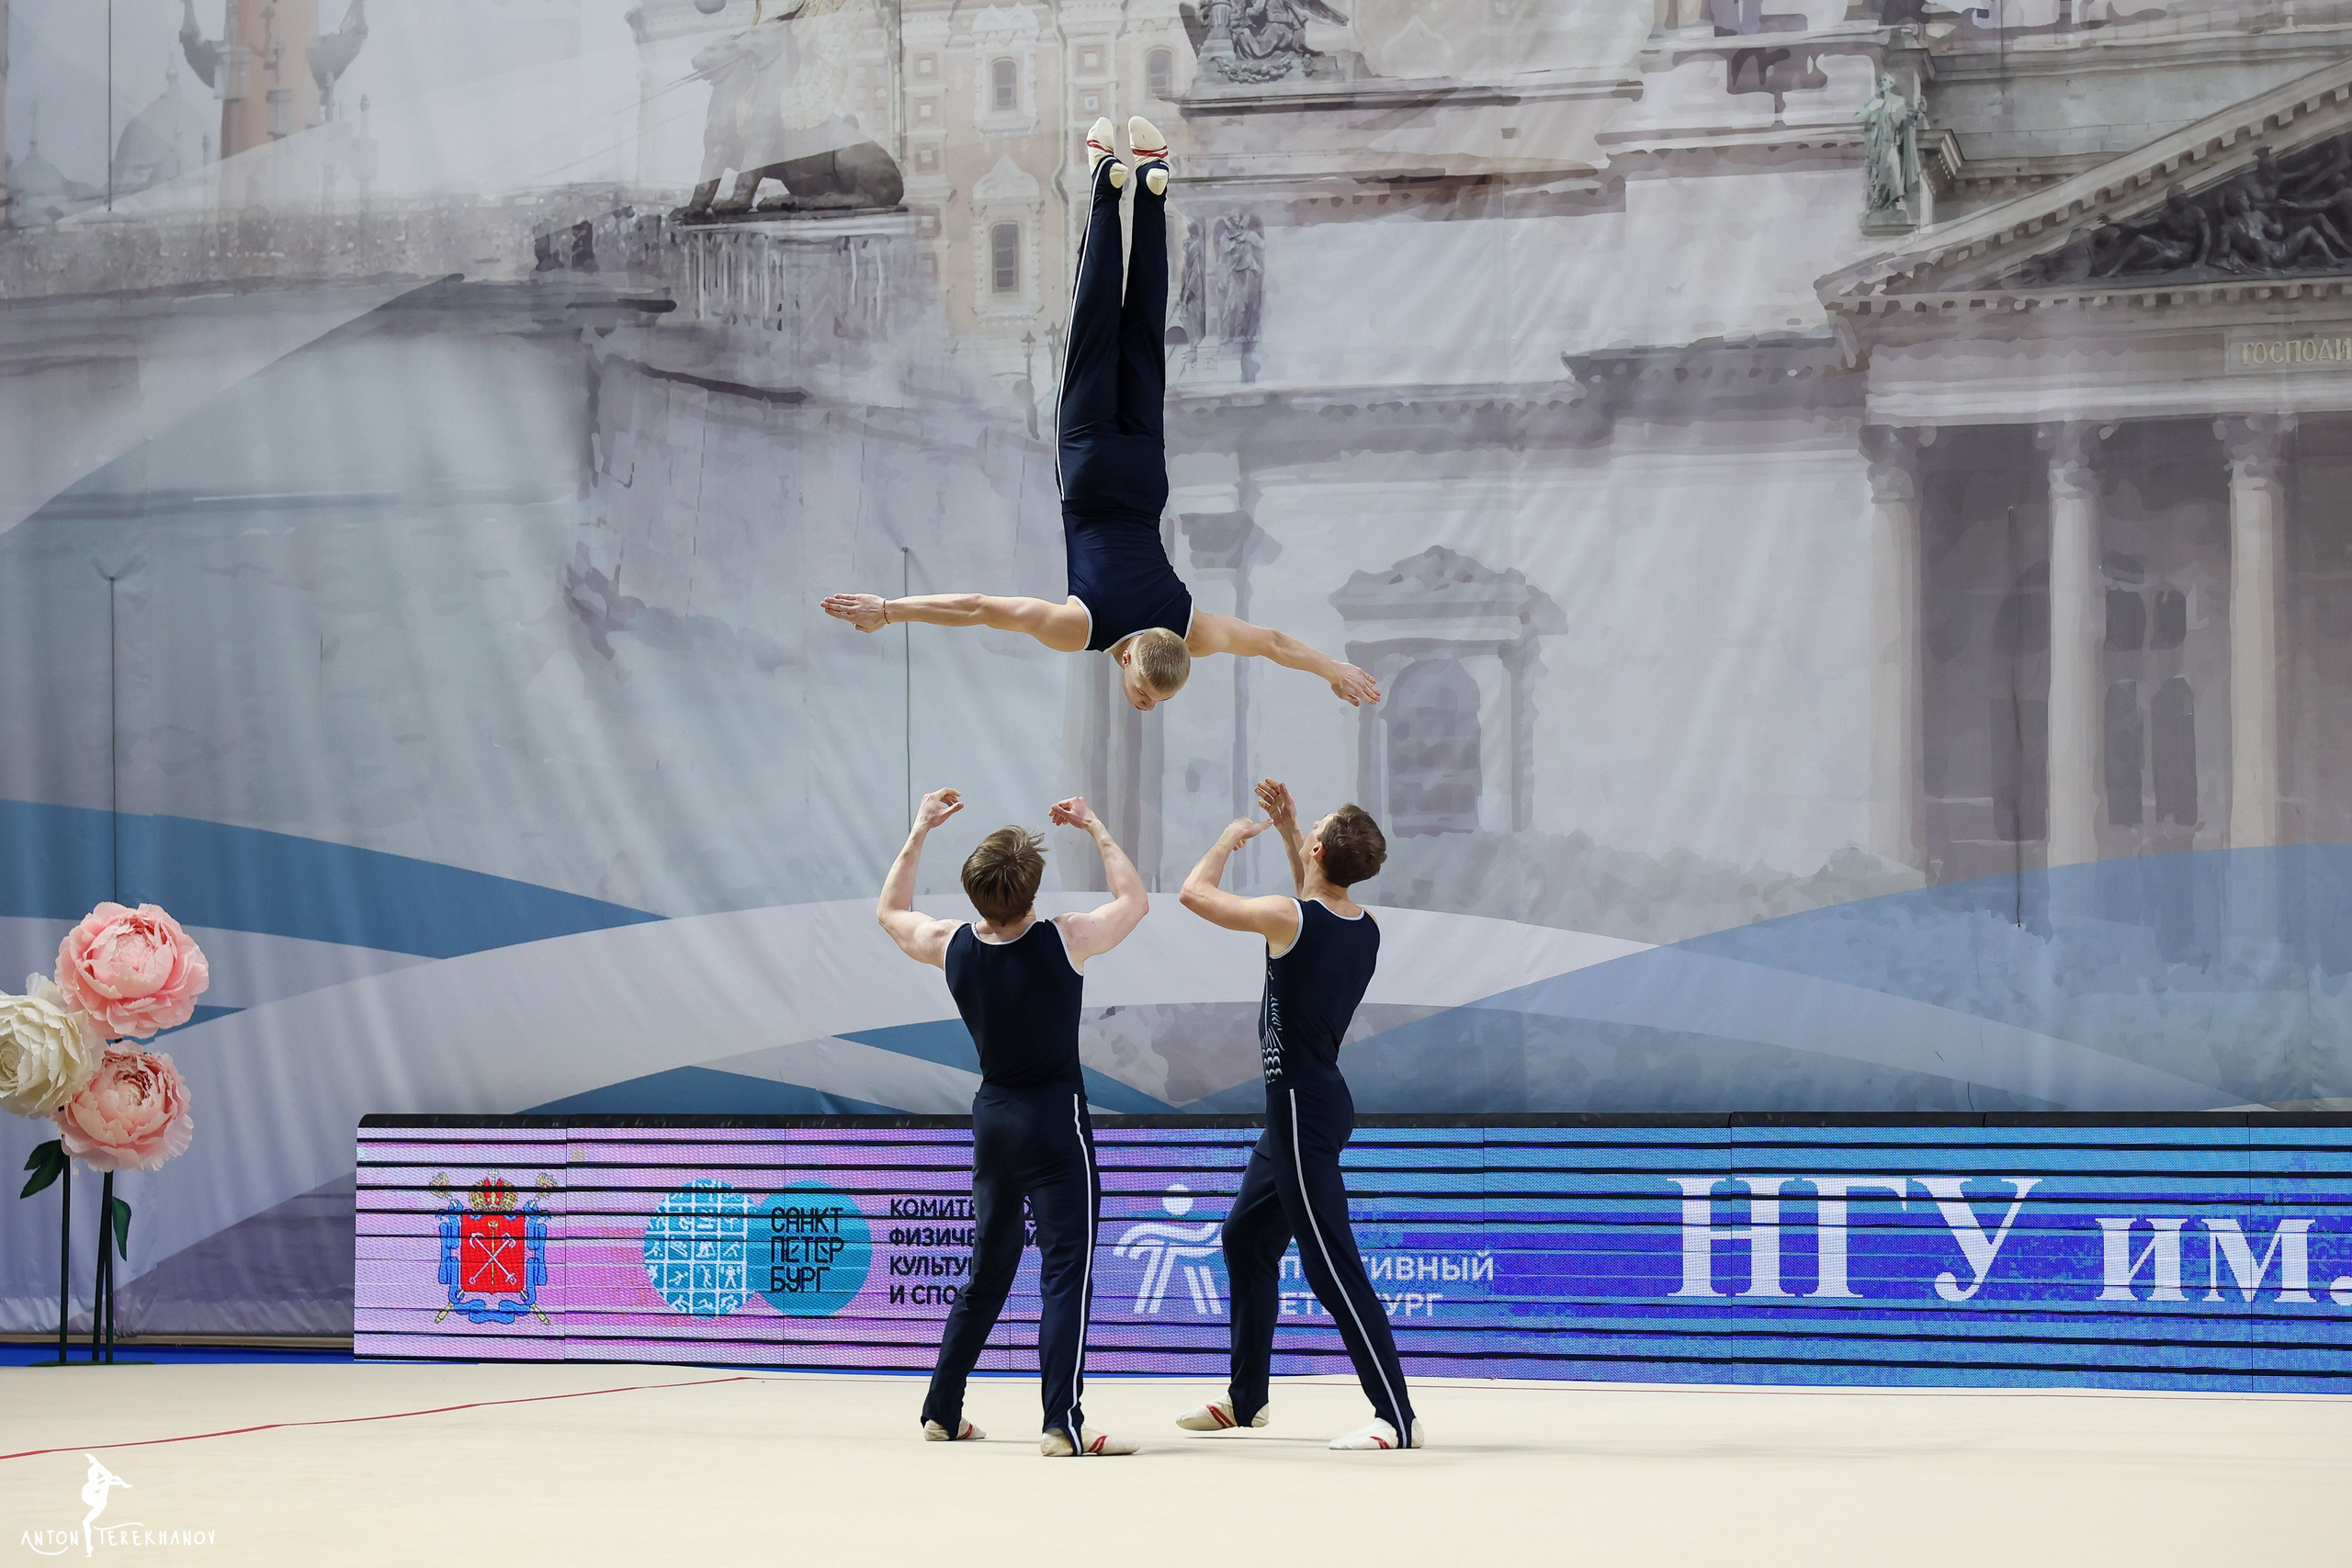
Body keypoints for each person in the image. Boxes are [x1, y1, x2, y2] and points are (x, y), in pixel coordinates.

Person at [823, 117, 1379, 714]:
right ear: (1128, 660)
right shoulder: (1081, 629)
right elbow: (980, 607)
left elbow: (1269, 642)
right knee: (1094, 327)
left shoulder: (1191, 627)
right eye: (1146, 693)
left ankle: (1153, 183)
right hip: (1088, 468)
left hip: (1142, 474)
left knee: (1141, 335)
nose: (1145, 703)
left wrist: (1331, 668)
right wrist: (888, 609)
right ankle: (1105, 187)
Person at [878, 785, 1147, 1457]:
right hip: (1055, 1118)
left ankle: (941, 1408)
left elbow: (890, 911)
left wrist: (920, 829)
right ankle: (1062, 1422)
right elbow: (1135, 901)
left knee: (987, 1271)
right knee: (1065, 1271)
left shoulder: (952, 943)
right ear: (1033, 891)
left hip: (993, 1117)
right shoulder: (1067, 936)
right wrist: (1095, 825)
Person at [1172, 779, 1421, 1450]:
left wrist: (1229, 839)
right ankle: (1247, 1399)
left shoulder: (1293, 916)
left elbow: (1195, 894)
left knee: (1331, 1264)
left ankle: (1395, 1415)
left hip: (1300, 1111)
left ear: (1317, 848)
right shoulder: (1359, 927)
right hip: (1308, 1105)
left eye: (1312, 826)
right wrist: (1290, 832)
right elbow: (1312, 908)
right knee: (1245, 1240)